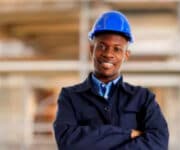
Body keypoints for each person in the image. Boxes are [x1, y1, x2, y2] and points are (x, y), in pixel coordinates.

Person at [53, 10, 169, 150]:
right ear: (91, 50)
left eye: (117, 49)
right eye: (102, 46)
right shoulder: (70, 97)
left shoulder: (143, 98)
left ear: (126, 55)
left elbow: (158, 143)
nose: (108, 54)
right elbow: (67, 142)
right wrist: (127, 134)